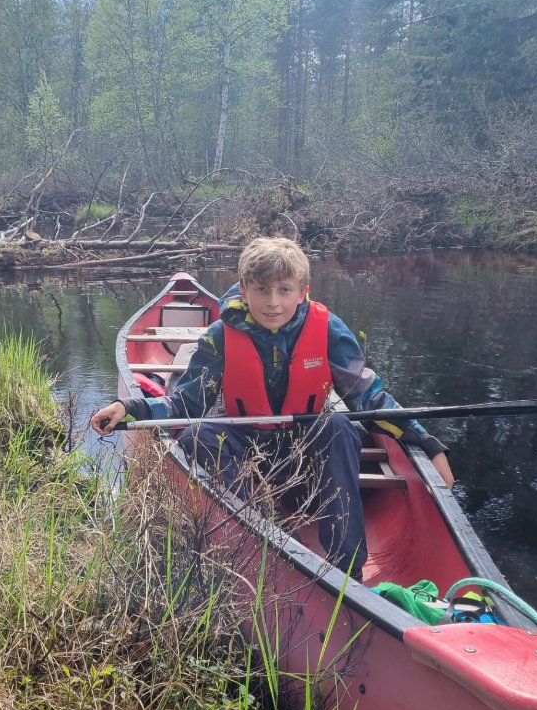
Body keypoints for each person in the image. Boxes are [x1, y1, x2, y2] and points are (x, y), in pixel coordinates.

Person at [90, 237, 454, 579]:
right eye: (262, 290)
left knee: (341, 426)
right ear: (245, 291)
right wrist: (130, 406)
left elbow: (368, 396)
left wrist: (427, 443)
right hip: (249, 448)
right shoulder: (220, 335)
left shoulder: (327, 329)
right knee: (197, 435)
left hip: (304, 457)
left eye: (284, 290)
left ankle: (347, 568)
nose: (273, 302)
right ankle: (266, 535)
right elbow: (186, 403)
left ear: (302, 292)